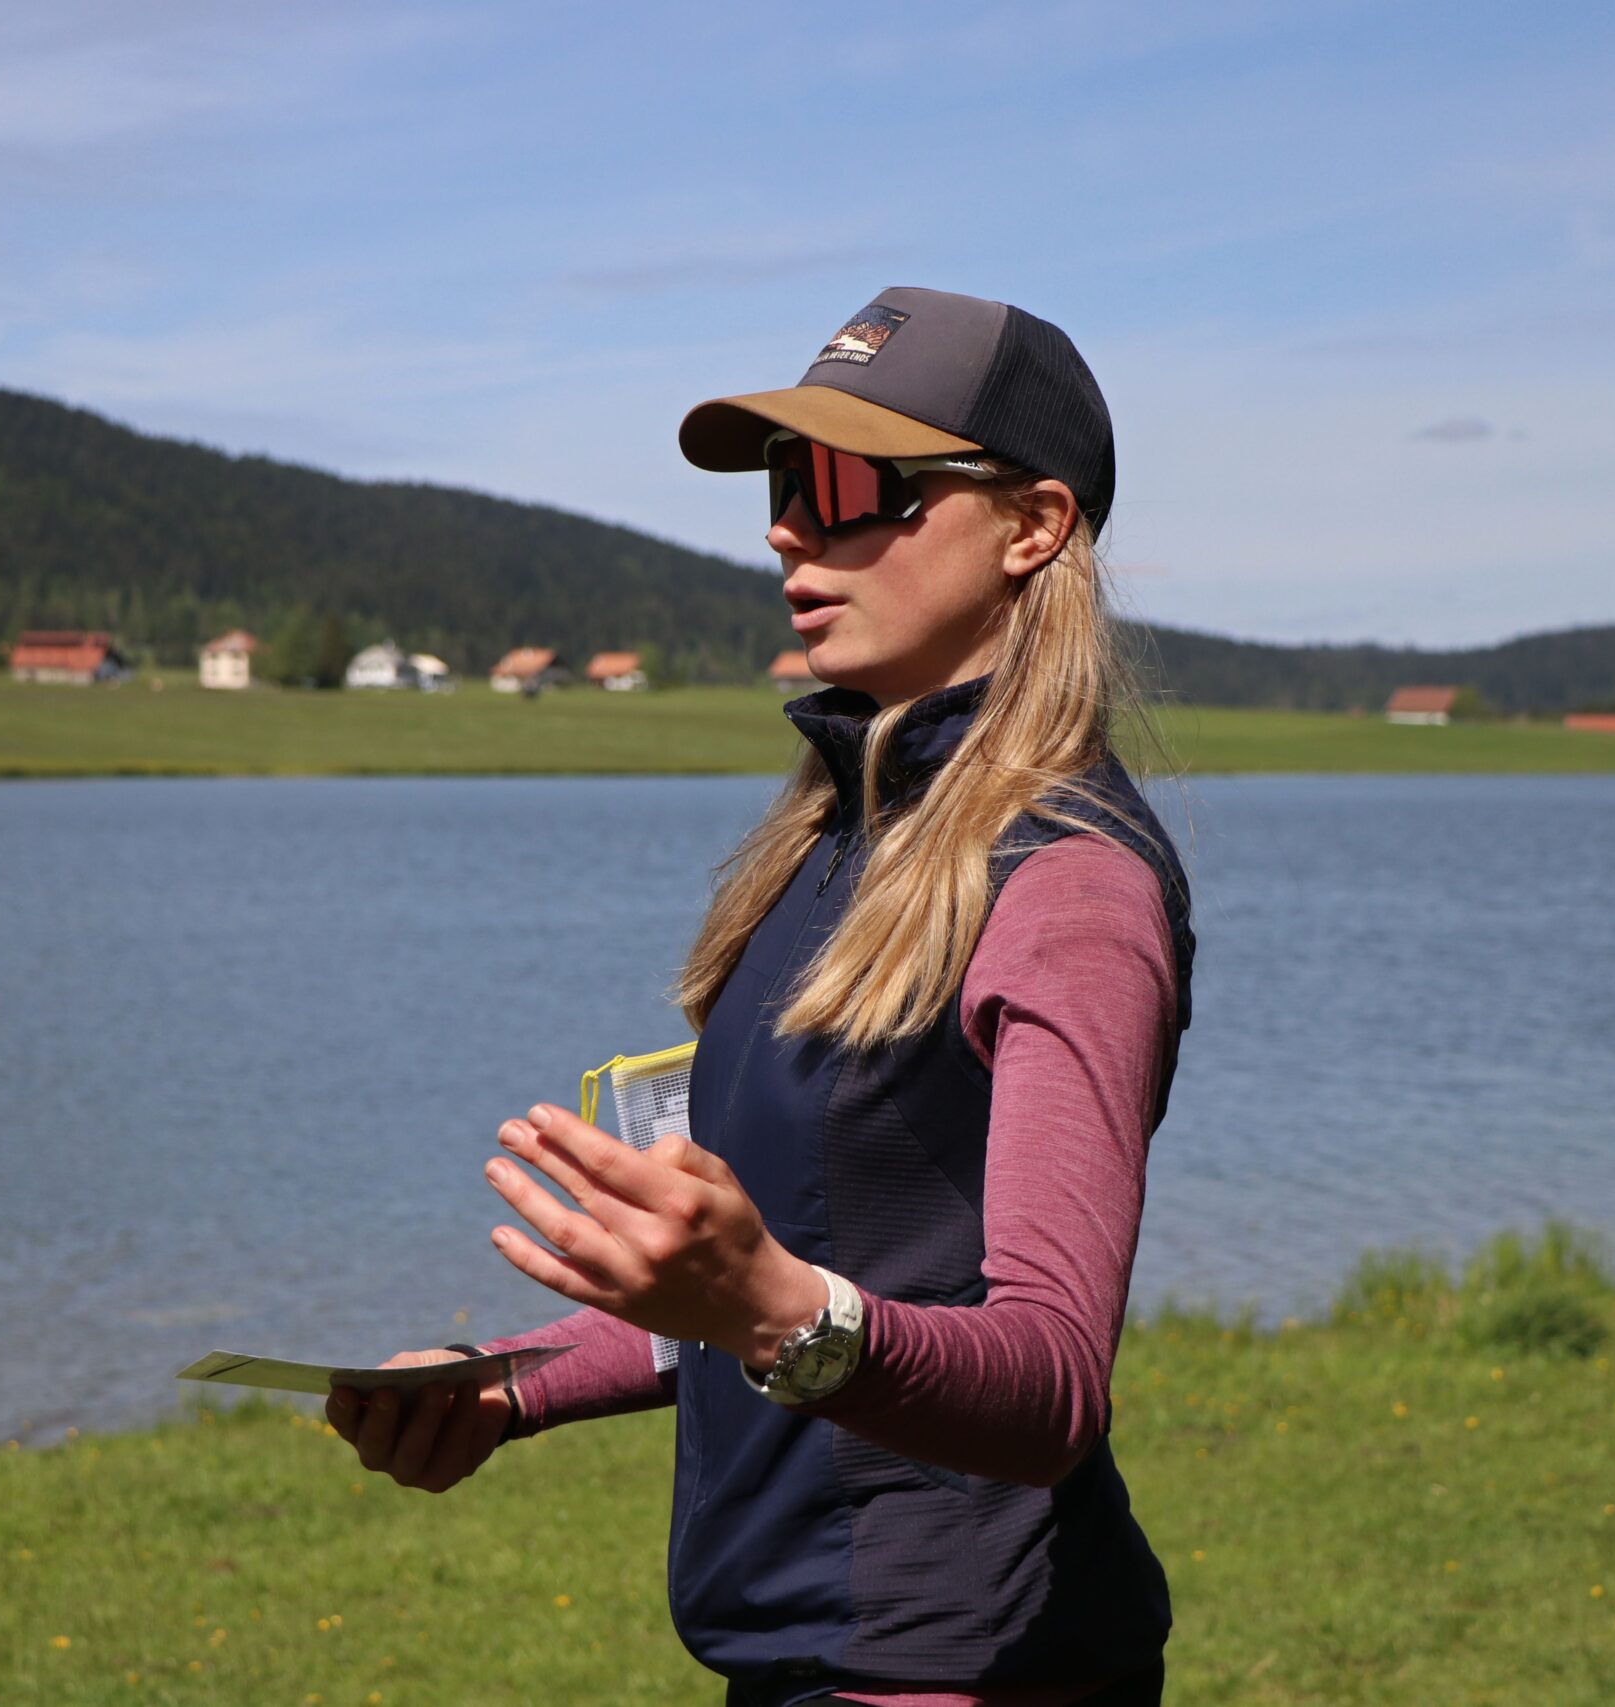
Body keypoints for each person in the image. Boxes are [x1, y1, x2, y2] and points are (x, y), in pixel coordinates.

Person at [325, 287, 1195, 1707]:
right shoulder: (836, 845)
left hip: (962, 1671)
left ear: (1033, 525)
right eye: (785, 487)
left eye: (857, 487)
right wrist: (504, 1382)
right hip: (794, 1664)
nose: (794, 526)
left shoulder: (1069, 887)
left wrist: (777, 1306)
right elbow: (768, 1289)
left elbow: (1047, 1383)